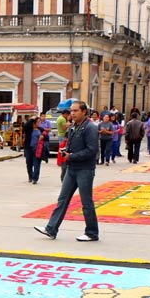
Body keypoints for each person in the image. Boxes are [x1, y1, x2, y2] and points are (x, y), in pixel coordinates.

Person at [33, 101, 101, 242]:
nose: (73, 113)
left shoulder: (90, 128)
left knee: (86, 202)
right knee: (62, 200)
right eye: (72, 111)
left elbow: (92, 150)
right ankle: (51, 229)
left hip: (85, 170)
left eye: (76, 111)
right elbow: (71, 144)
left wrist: (72, 156)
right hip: (71, 168)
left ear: (84, 112)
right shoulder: (73, 127)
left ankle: (92, 232)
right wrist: (66, 152)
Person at [23, 116, 39, 182]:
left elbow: (46, 137)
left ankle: (35, 178)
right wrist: (31, 119)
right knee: (29, 163)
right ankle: (30, 176)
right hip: (28, 148)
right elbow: (26, 125)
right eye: (37, 122)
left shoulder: (40, 129)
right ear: (34, 123)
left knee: (36, 164)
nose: (39, 123)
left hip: (37, 149)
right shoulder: (28, 129)